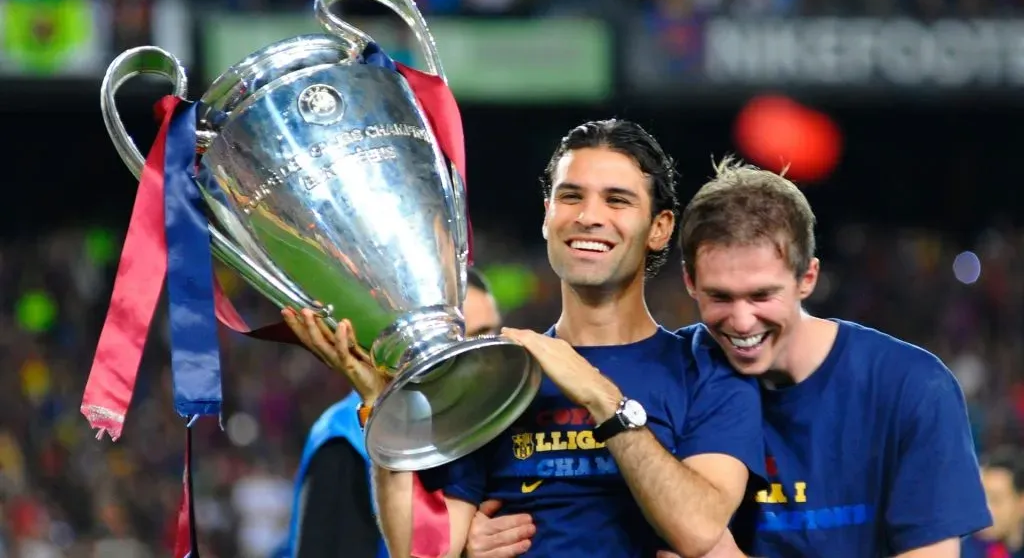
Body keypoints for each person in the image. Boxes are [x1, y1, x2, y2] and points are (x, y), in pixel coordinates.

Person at [283, 119, 766, 558]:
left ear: (659, 228)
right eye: (571, 196)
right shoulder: (497, 372)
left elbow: (698, 528)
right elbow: (422, 550)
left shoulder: (706, 366)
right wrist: (381, 404)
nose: (588, 216)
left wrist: (600, 395)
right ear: (547, 215)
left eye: (617, 200)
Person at [468, 156, 992, 558]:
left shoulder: (910, 389)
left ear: (807, 277)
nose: (741, 323)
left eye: (762, 295)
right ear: (691, 283)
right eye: (720, 297)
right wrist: (473, 535)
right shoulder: (679, 372)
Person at [275, 268, 503, 558]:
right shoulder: (346, 438)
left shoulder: (496, 424)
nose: (484, 355)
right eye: (464, 339)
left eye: (490, 334)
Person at [962, 446, 1024, 558]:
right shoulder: (959, 551)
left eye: (996, 500)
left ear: (1021, 502)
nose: (985, 510)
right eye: (982, 499)